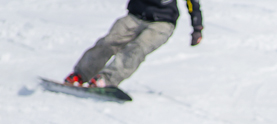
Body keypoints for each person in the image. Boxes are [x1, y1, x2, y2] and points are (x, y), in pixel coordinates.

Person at [64, 0, 203, 89]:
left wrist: (197, 28)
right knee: (109, 42)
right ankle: (80, 75)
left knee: (138, 47)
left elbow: (193, 3)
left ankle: (106, 80)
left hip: (162, 23)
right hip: (135, 16)